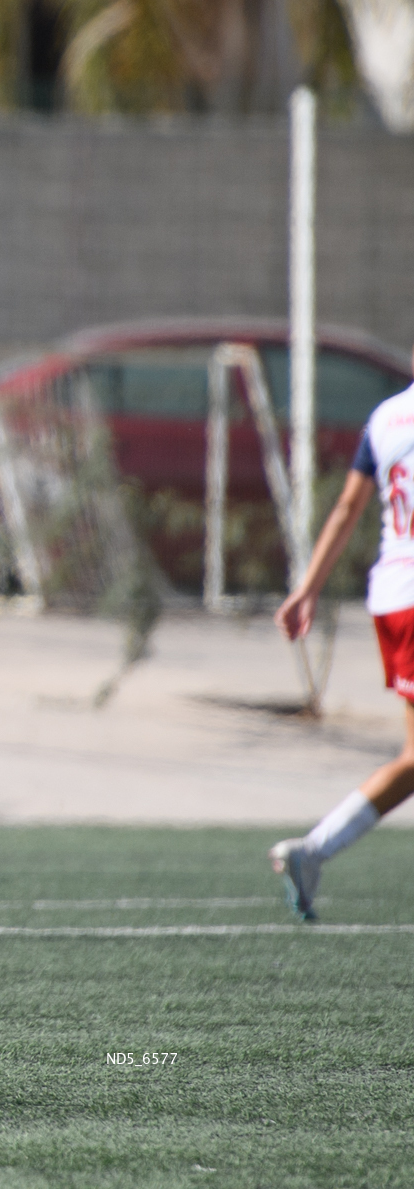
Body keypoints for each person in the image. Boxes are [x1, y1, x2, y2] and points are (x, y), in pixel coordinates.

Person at [270, 344, 414, 920]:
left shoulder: (385, 417)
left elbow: (347, 510)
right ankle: (314, 849)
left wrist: (306, 587)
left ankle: (314, 850)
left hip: (393, 595)